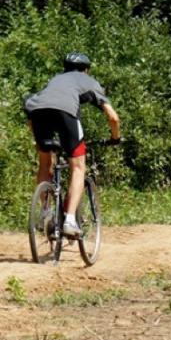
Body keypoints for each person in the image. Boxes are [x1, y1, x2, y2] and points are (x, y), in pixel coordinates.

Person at [24, 52, 121, 237]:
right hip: (65, 112)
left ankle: (45, 212)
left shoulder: (56, 79)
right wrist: (115, 139)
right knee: (78, 167)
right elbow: (113, 117)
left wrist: (37, 138)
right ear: (86, 69)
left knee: (45, 163)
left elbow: (35, 105)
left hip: (36, 111)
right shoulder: (88, 81)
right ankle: (69, 220)